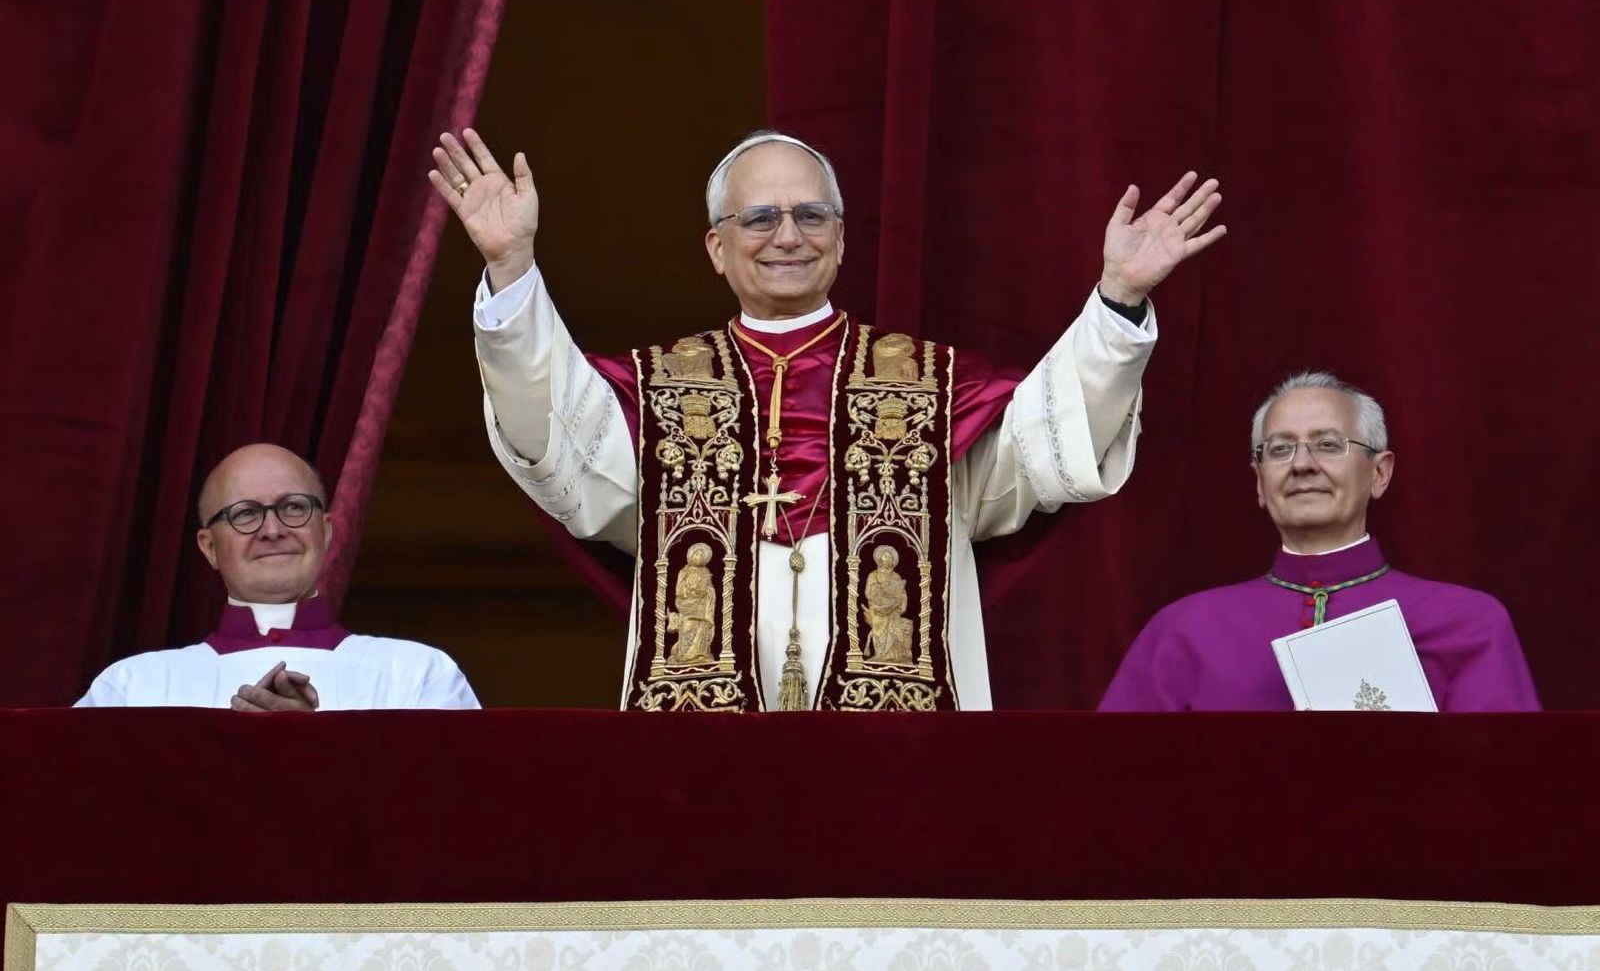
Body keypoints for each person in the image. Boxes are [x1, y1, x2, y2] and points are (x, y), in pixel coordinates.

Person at [433, 128, 1225, 711]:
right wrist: (511, 269)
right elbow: (556, 444)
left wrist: (1117, 298)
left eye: (812, 216)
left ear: (841, 242)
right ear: (715, 246)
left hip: (900, 739)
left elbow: (1050, 442)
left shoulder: (931, 387)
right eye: (760, 218)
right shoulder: (658, 389)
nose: (788, 235)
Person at [1099, 371, 1540, 712]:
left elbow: (1506, 789)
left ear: (1379, 473)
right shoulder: (1184, 631)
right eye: (1279, 449)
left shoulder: (1468, 624)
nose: (1302, 465)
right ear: (1259, 482)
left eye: (1328, 445)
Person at [77, 444, 480, 710]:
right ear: (209, 547)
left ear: (325, 531)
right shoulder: (131, 688)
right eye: (246, 514)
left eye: (292, 507)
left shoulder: (419, 676)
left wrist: (318, 749)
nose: (272, 530)